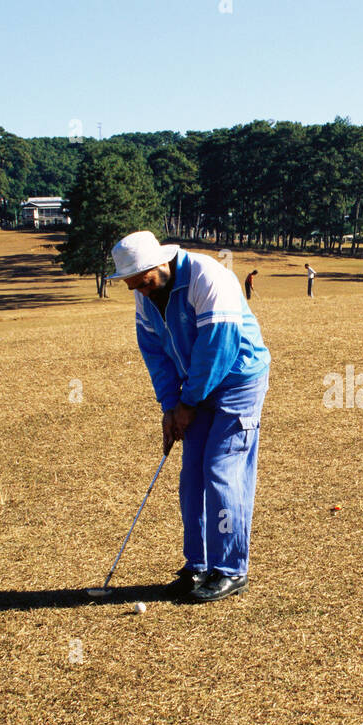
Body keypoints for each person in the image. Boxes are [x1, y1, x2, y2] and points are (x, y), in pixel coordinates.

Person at [107, 231, 270, 603]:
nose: (141, 292)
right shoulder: (144, 295)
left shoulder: (207, 277)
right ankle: (197, 564)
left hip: (237, 380)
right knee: (192, 475)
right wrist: (169, 406)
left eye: (143, 282)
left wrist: (188, 403)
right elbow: (154, 352)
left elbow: (219, 347)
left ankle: (230, 569)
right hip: (192, 389)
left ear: (159, 265)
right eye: (132, 286)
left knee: (221, 469)